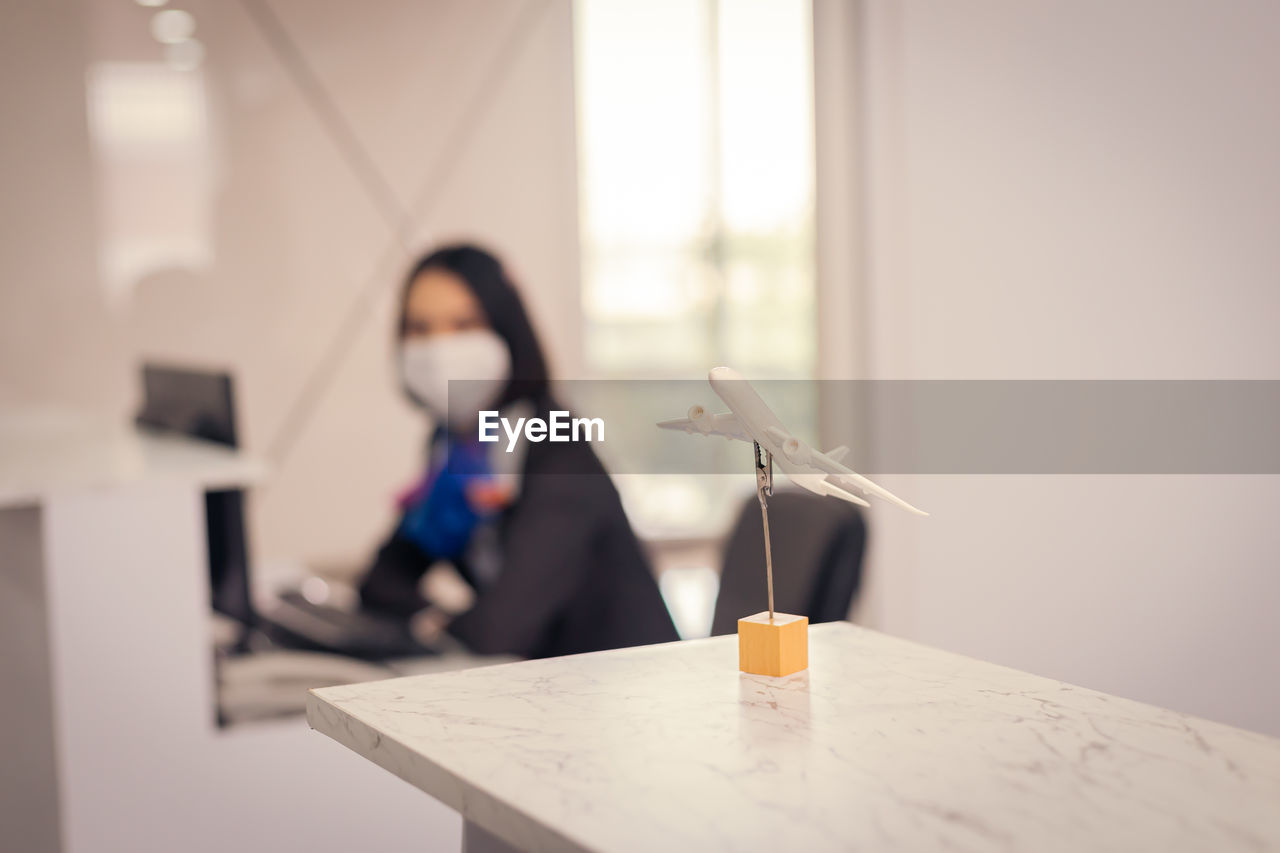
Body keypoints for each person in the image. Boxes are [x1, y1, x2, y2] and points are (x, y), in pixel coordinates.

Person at [358, 244, 678, 658]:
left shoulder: (555, 444)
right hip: (541, 688)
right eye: (419, 328)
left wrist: (433, 622)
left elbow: (499, 630)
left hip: (627, 694)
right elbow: (381, 581)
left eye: (464, 323)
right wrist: (435, 620)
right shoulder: (454, 449)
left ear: (505, 329)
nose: (439, 347)